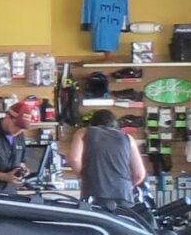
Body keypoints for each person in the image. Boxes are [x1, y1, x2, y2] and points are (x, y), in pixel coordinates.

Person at [63, 73, 147, 204]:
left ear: (92, 123)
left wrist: (84, 177)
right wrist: (127, 185)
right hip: (123, 194)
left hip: (94, 192)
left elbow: (74, 159)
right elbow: (139, 174)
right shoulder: (128, 138)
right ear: (115, 125)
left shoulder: (84, 132)